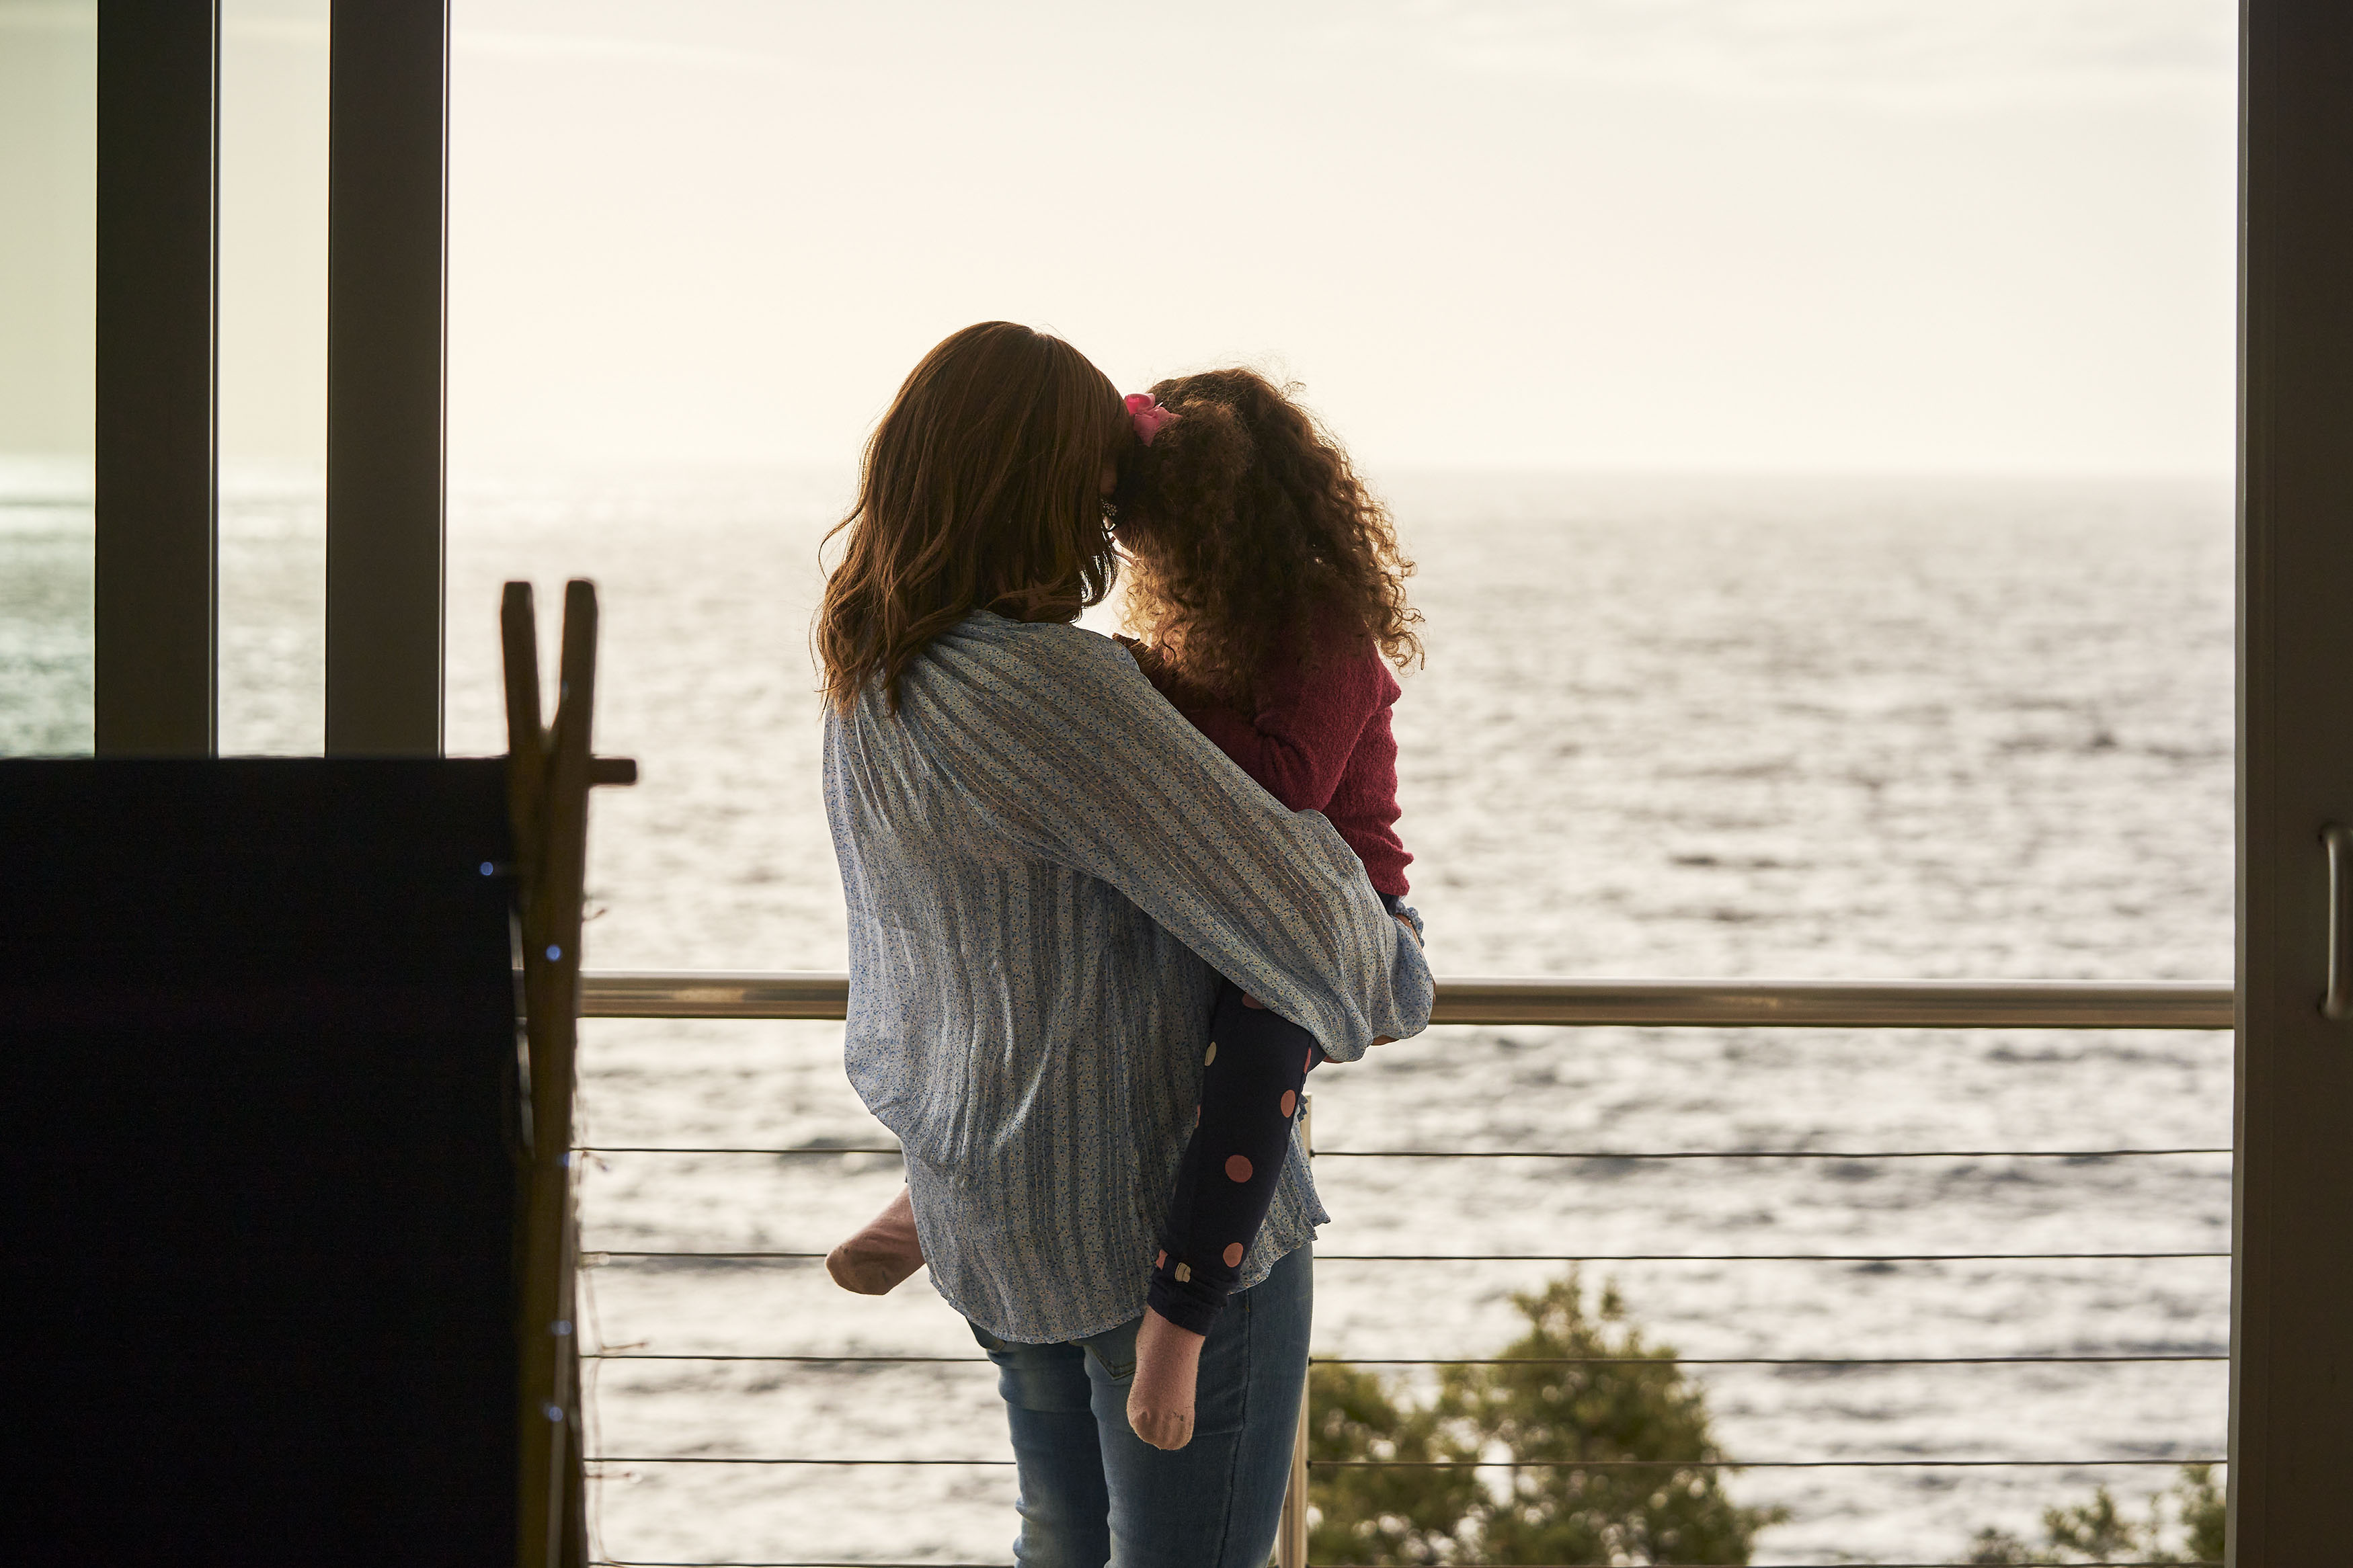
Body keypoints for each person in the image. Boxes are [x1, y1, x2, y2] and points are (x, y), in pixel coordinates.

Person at [815, 321, 1431, 1568]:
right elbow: (1343, 955)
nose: (1113, 526)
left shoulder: (869, 678)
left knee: (1059, 1546)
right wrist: (1398, 957)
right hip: (1137, 1223)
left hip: (990, 1203)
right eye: (1101, 489)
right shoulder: (1058, 692)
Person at [1106, 366, 1426, 1451]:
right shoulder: (1204, 630)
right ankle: (944, 1188)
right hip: (1239, 902)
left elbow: (1288, 782)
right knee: (1081, 960)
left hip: (1346, 918)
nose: (1142, 560)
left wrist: (1142, 697)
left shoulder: (1321, 623)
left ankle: (1180, 1321)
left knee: (1254, 1053)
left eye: (1152, 532)